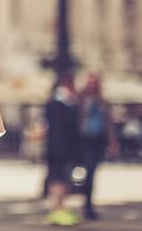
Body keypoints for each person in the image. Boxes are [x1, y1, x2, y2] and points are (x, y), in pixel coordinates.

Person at [77, 73, 116, 220]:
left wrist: (112, 142)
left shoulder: (102, 101)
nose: (91, 86)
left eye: (94, 83)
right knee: (88, 172)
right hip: (84, 140)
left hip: (98, 140)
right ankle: (85, 204)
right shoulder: (80, 99)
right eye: (89, 83)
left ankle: (88, 205)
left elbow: (108, 123)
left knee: (92, 173)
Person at [44, 73, 81, 226]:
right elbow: (67, 128)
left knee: (58, 179)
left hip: (56, 148)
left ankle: (58, 208)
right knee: (60, 180)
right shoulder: (61, 104)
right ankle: (57, 210)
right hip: (61, 149)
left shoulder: (54, 103)